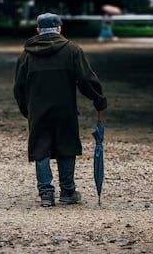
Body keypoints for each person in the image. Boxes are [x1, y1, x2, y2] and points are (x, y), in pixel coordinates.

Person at [14, 12, 107, 207]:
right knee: (66, 146)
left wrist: (27, 110)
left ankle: (46, 194)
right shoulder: (72, 50)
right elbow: (86, 80)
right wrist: (98, 99)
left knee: (40, 148)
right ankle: (67, 191)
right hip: (65, 109)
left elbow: (19, 88)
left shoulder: (27, 54)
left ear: (38, 30)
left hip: (38, 110)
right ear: (59, 29)